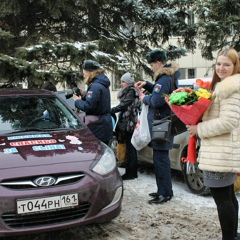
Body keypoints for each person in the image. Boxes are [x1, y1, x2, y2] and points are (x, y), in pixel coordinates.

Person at [187, 48, 240, 240]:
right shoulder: (222, 86)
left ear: (235, 66)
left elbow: (229, 122)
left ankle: (229, 237)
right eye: (218, 64)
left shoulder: (230, 88)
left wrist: (199, 129)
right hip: (221, 150)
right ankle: (233, 234)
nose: (221, 68)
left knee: (222, 199)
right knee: (228, 196)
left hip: (221, 153)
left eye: (227, 64)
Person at [135, 49, 180, 204]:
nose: (151, 68)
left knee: (161, 159)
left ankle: (165, 193)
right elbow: (160, 93)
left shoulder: (163, 79)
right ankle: (163, 190)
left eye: (152, 65)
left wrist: (144, 98)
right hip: (164, 122)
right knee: (160, 158)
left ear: (159, 63)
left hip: (161, 122)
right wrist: (148, 85)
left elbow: (156, 101)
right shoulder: (168, 77)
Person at [73, 60, 113, 145]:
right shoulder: (101, 84)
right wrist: (85, 95)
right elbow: (98, 103)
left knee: (98, 152)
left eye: (84, 73)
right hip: (104, 124)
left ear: (89, 72)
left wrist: (77, 101)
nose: (84, 76)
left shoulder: (95, 86)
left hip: (98, 126)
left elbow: (89, 106)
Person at [111, 72, 141, 180]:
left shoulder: (131, 91)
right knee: (129, 147)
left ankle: (131, 172)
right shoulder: (130, 91)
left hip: (130, 123)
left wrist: (111, 110)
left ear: (128, 83)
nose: (121, 84)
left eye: (123, 82)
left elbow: (124, 105)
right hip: (129, 121)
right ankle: (131, 171)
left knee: (130, 148)